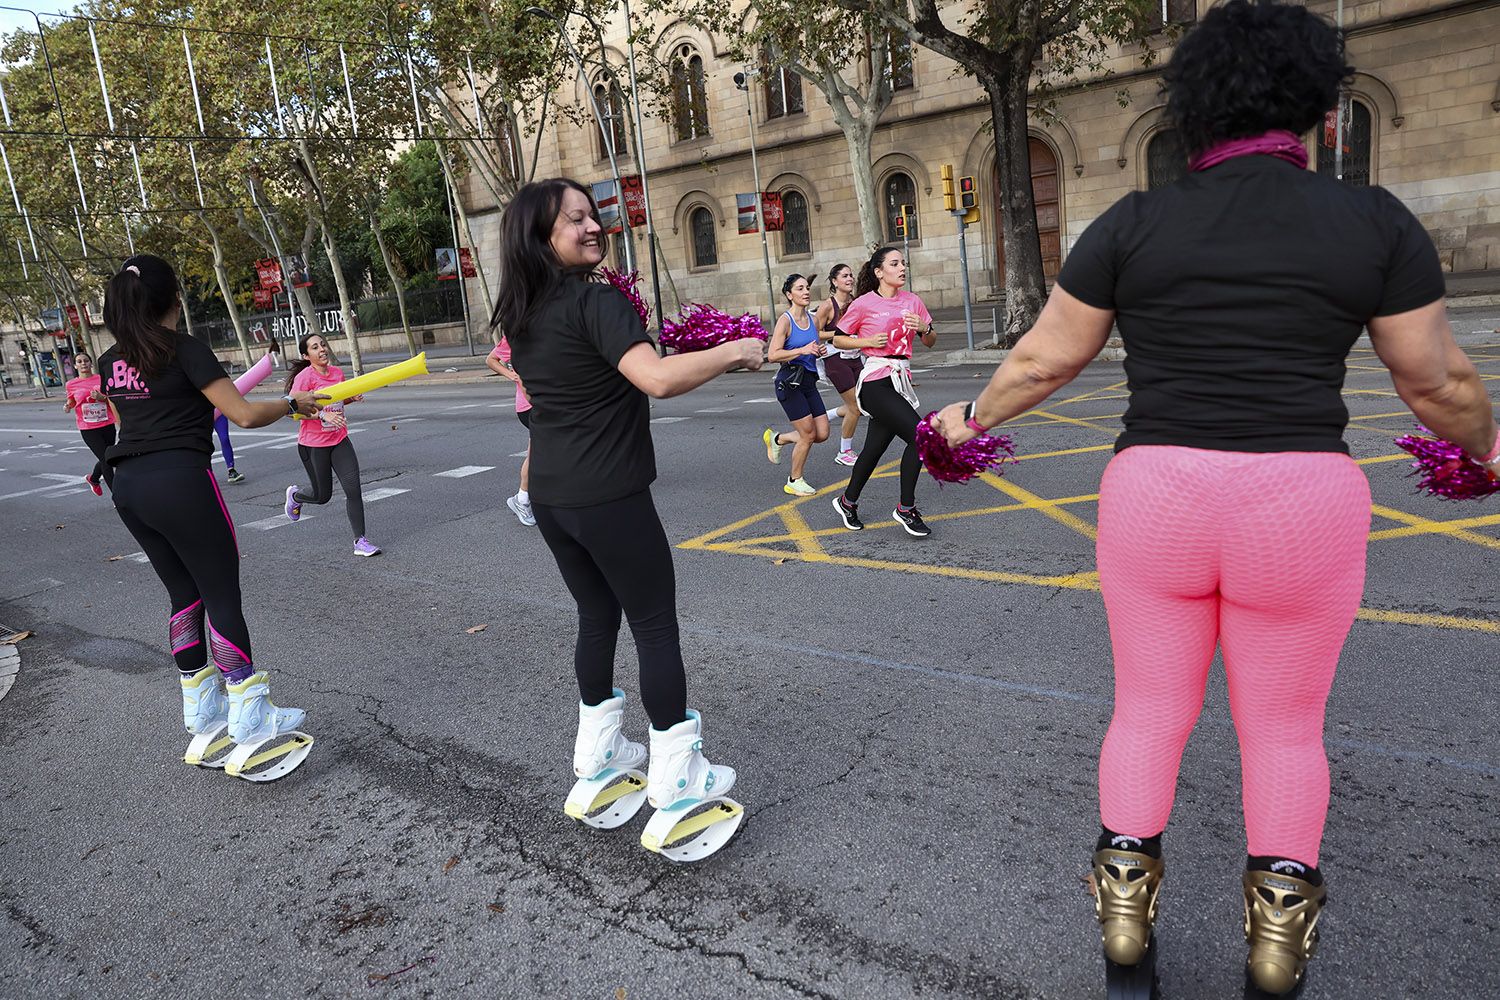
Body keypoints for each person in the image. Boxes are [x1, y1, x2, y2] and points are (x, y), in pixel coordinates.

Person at [930, 2, 1500, 992]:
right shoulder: (1372, 222)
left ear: (1194, 104)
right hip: (1301, 504)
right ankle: (1275, 956)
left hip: (1156, 499)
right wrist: (1487, 448)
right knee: (1284, 730)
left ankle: (1125, 937)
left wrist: (964, 418)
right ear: (1319, 105)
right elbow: (1436, 382)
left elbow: (1043, 360)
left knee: (1148, 710)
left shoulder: (1133, 222)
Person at [495, 177, 764, 825]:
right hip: (609, 497)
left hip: (553, 499)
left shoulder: (524, 315)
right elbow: (657, 379)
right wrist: (732, 350)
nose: (593, 226)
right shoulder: (597, 300)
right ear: (539, 236)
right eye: (574, 219)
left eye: (593, 214)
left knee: (596, 615)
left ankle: (599, 753)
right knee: (653, 624)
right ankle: (678, 776)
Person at [95, 254, 321, 767]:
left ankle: (200, 708)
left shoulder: (110, 361)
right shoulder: (185, 350)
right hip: (182, 483)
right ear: (175, 299)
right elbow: (243, 414)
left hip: (129, 486)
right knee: (221, 594)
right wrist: (292, 404)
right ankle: (249, 711)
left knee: (183, 595)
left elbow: (128, 421)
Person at [829, 247, 938, 537]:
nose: (902, 267)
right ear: (879, 272)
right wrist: (866, 341)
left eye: (903, 263)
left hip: (900, 381)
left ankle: (847, 502)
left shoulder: (913, 301)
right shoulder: (864, 303)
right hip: (876, 382)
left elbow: (930, 341)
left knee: (873, 450)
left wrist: (925, 328)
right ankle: (906, 509)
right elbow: (838, 340)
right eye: (895, 263)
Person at [283, 333, 380, 557]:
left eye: (323, 345)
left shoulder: (337, 373)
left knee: (353, 488)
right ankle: (296, 496)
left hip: (339, 440)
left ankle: (360, 541)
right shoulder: (305, 378)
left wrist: (351, 398)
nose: (322, 350)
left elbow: (336, 399)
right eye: (315, 347)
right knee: (322, 496)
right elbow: (290, 410)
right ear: (306, 356)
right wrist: (321, 416)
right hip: (313, 445)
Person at [761, 274, 829, 496]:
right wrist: (802, 350)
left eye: (807, 287)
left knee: (822, 433)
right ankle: (794, 479)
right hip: (789, 383)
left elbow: (812, 347)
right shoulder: (785, 320)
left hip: (808, 381)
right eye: (800, 288)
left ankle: (778, 439)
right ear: (789, 295)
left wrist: (818, 350)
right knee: (808, 434)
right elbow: (773, 355)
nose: (806, 292)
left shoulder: (813, 320)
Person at [813, 264, 862, 466]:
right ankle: (844, 451)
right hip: (835, 359)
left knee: (863, 402)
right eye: (844, 276)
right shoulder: (827, 306)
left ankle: (827, 415)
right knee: (855, 408)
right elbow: (815, 333)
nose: (849, 279)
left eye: (851, 275)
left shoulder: (856, 302)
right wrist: (840, 334)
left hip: (855, 357)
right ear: (835, 281)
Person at [486, 336, 535, 526]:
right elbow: (491, 359)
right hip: (530, 406)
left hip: (545, 403)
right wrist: (511, 375)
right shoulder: (516, 334)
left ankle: (524, 498)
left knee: (539, 455)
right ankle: (524, 499)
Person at [62, 351, 115, 496]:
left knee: (108, 457)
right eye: (79, 361)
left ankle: (93, 479)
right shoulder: (71, 384)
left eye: (86, 360)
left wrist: (102, 398)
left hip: (107, 423)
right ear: (75, 366)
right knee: (106, 460)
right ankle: (118, 498)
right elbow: (72, 400)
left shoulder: (101, 379)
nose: (83, 363)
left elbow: (111, 398)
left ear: (91, 363)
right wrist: (68, 406)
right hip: (88, 427)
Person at [214, 413, 245, 484]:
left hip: (218, 413)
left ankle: (232, 471)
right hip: (202, 415)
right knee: (204, 443)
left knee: (225, 439)